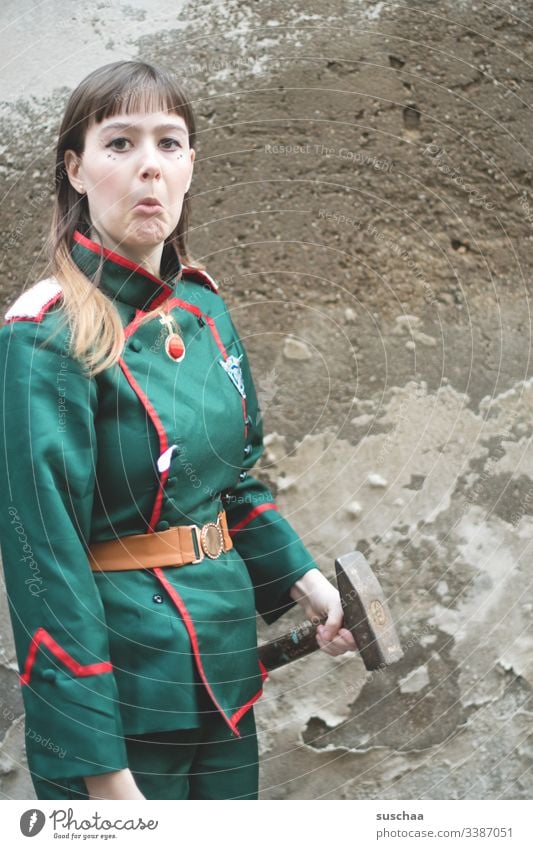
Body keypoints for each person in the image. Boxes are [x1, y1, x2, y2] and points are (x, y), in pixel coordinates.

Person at [0, 59, 356, 801]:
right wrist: (100, 768)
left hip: (223, 682)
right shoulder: (44, 333)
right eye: (120, 144)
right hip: (121, 711)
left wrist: (309, 583)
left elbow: (236, 483)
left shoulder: (203, 309)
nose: (148, 169)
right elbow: (45, 564)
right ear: (76, 167)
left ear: (191, 164)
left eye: (169, 143)